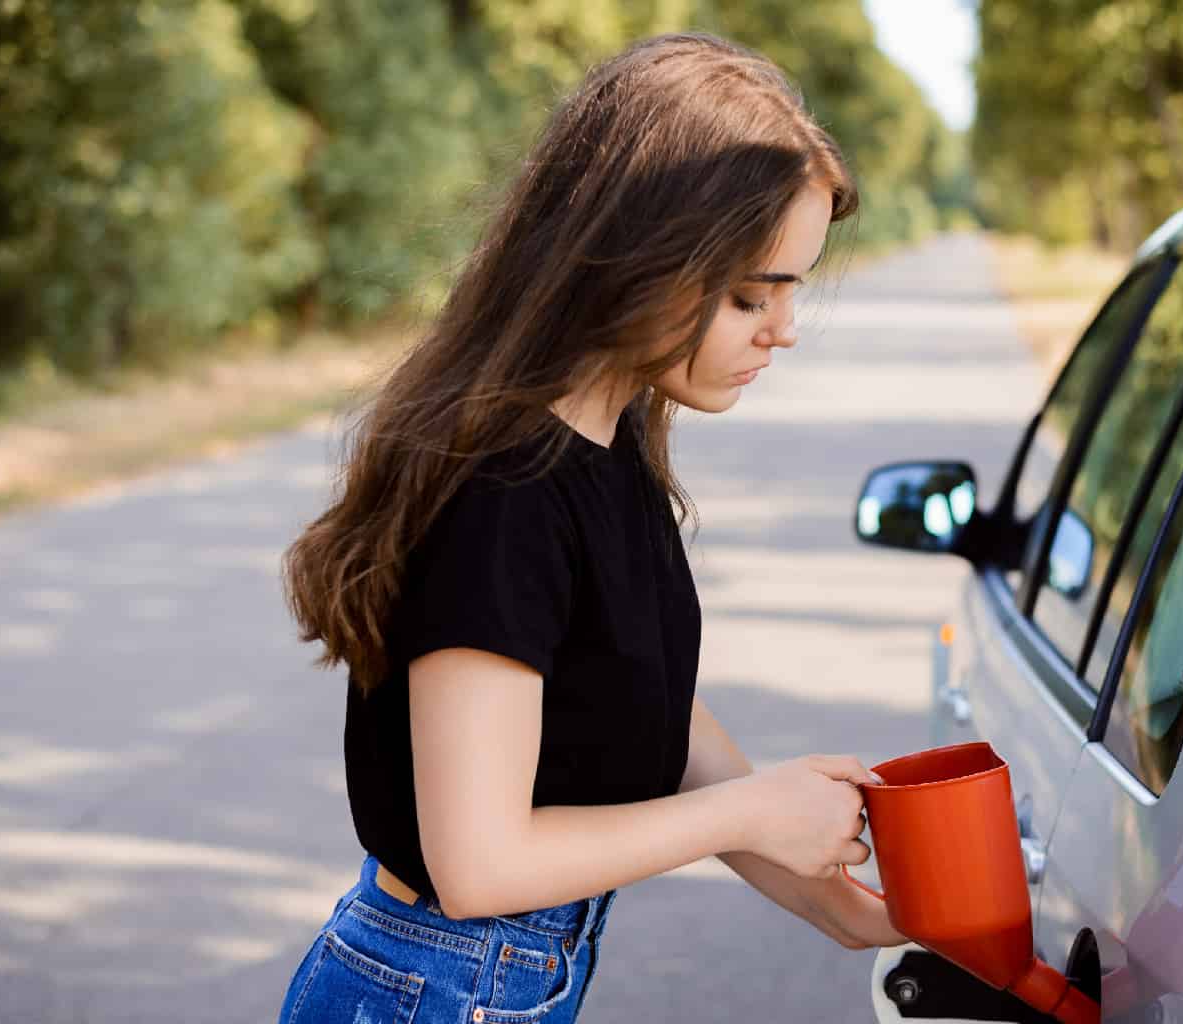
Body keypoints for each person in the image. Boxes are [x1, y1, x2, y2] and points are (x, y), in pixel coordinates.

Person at [276, 31, 908, 1023]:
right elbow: (478, 863)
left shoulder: (612, 447)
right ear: (640, 259)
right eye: (750, 296)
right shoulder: (501, 490)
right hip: (435, 988)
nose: (783, 330)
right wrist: (750, 811)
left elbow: (645, 708)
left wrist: (835, 903)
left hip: (488, 981)